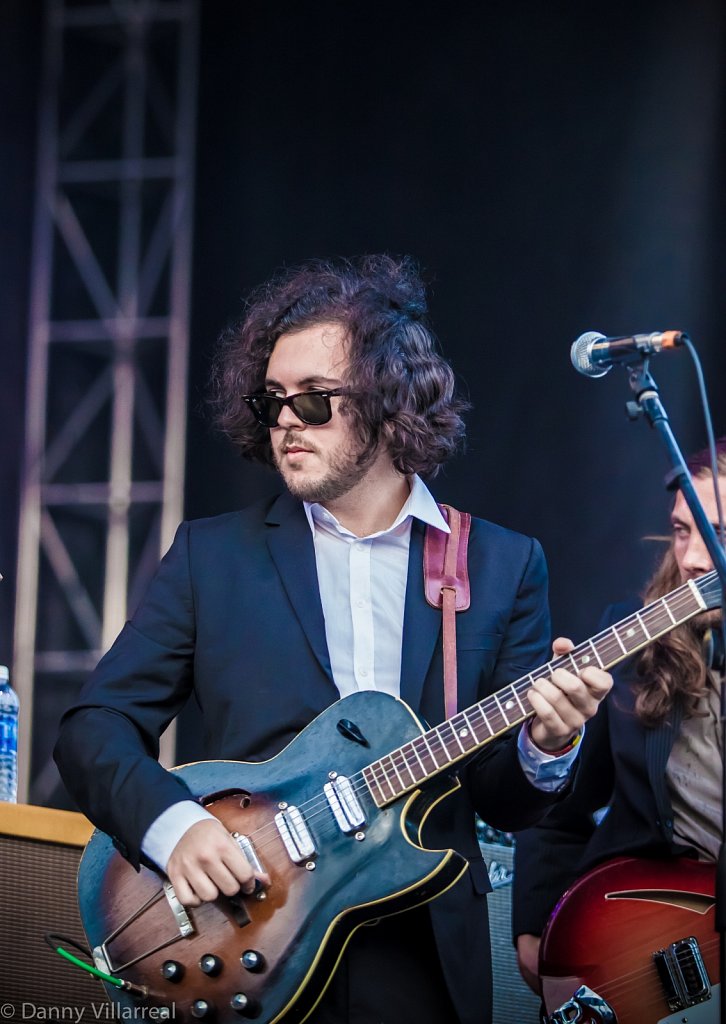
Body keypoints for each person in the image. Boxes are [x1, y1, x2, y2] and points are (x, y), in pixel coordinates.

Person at [54, 254, 612, 1024]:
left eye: (314, 401)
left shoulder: (500, 563)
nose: (285, 419)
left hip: (420, 956)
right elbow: (94, 729)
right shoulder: (211, 557)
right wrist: (173, 826)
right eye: (272, 400)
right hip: (245, 932)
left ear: (390, 402)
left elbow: (501, 801)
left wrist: (547, 747)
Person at [513, 438, 726, 999]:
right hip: (655, 959)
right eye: (683, 531)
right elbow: (560, 805)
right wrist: (535, 924)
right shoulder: (631, 642)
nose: (697, 559)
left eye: (718, 534)